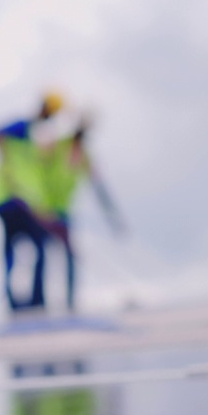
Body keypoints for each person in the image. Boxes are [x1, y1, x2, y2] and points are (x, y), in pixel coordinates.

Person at [41, 116, 124, 312]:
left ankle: (69, 301)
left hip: (64, 210)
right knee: (43, 254)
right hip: (44, 208)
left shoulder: (84, 155)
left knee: (69, 254)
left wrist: (112, 214)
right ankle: (40, 302)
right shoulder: (58, 146)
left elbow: (98, 185)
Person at [0, 93, 64, 312]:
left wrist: (43, 209)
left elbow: (37, 181)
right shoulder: (24, 128)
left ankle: (34, 300)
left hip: (28, 206)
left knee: (36, 250)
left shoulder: (38, 142)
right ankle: (16, 301)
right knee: (12, 252)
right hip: (9, 201)